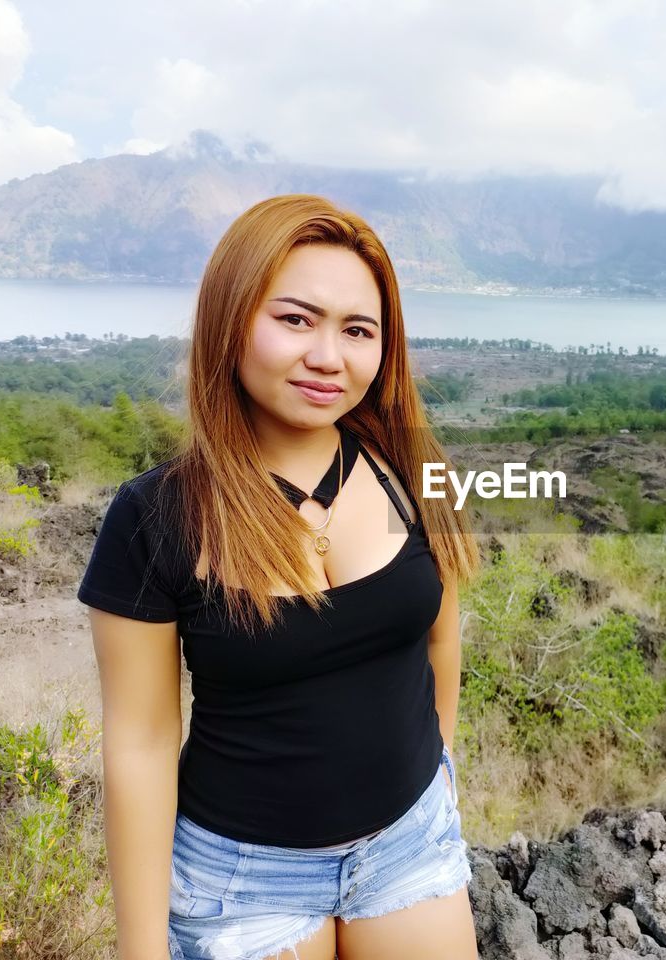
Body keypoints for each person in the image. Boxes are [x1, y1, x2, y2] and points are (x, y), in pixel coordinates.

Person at [77, 194, 482, 960]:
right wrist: (141, 949)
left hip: (410, 849)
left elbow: (440, 643)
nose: (329, 356)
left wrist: (433, 786)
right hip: (242, 882)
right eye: (296, 320)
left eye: (358, 331)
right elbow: (141, 741)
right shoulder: (158, 516)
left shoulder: (410, 475)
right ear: (231, 322)